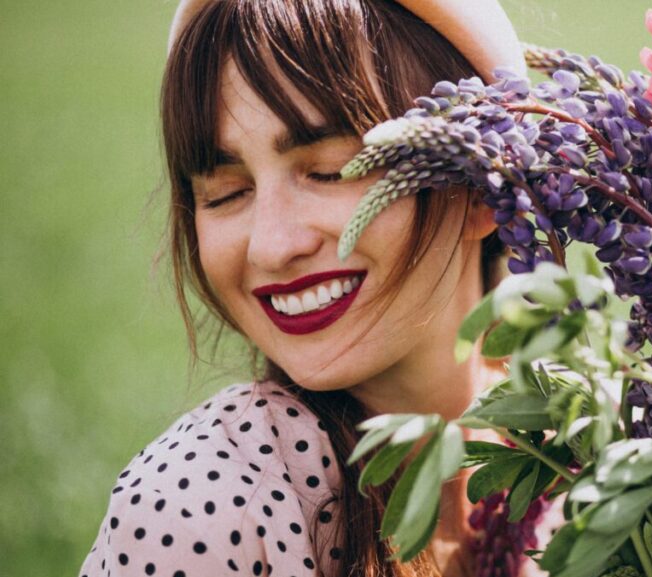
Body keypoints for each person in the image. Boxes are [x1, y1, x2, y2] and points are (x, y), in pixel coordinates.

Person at [78, 1, 537, 576]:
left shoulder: (593, 433)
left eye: (331, 170)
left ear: (480, 188)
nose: (271, 246)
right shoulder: (208, 505)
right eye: (224, 193)